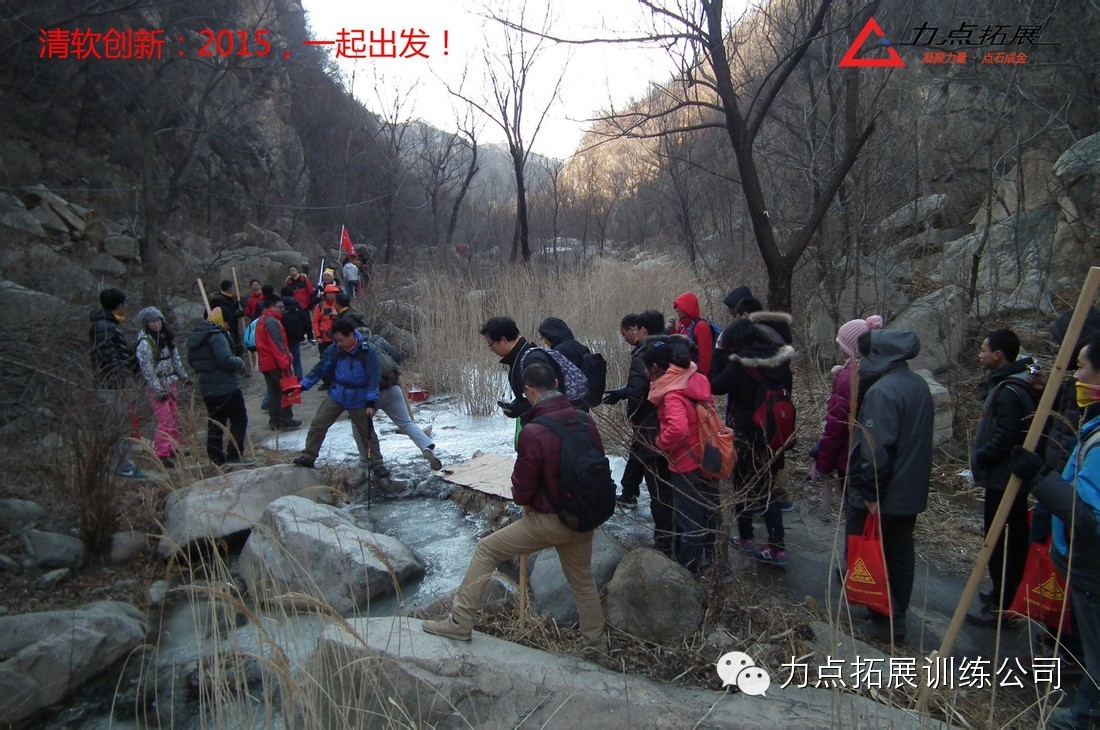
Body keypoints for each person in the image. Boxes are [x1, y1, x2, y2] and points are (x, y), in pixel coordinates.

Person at [422, 362, 606, 648]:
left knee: (486, 550)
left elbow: (521, 493)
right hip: (585, 516)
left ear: (528, 390)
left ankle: (460, 622)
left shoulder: (534, 431)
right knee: (582, 581)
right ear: (557, 384)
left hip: (550, 521)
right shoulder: (584, 420)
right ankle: (596, 644)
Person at [1011, 334, 1100, 730]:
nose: (1076, 376)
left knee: (1096, 646)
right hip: (1082, 563)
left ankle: (1087, 714)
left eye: (1082, 367)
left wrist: (1040, 478)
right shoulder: (1093, 424)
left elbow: (1088, 515)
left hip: (1091, 565)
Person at [845, 328, 933, 641]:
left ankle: (883, 619)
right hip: (909, 489)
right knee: (899, 552)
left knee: (875, 551)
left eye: (865, 354)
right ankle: (894, 613)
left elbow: (875, 448)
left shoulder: (883, 392)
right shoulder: (917, 384)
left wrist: (871, 491)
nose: (860, 361)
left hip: (885, 492)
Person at [709, 318, 795, 567]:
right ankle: (777, 547)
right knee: (767, 489)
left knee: (742, 486)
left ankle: (746, 537)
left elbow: (714, 385)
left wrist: (718, 352)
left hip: (747, 434)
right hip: (774, 433)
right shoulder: (781, 361)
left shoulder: (740, 365)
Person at [966, 328, 1037, 627]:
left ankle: (1004, 605)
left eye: (984, 350)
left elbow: (1008, 435)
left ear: (998, 355)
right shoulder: (1014, 383)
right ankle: (1002, 593)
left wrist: (981, 457)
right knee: (1009, 538)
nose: (980, 355)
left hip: (1003, 478)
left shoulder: (1009, 390)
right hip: (1005, 477)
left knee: (999, 541)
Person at [643, 335, 720, 575]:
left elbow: (678, 428)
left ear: (655, 368)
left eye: (646, 369)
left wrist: (660, 441)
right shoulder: (696, 379)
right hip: (709, 454)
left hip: (686, 462)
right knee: (709, 510)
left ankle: (690, 569)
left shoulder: (671, 393)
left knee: (689, 517)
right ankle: (713, 561)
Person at [605, 310, 675, 552]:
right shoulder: (674, 348)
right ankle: (630, 491)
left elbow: (638, 392)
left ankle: (666, 541)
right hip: (671, 425)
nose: (625, 337)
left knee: (659, 487)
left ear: (640, 329)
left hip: (651, 426)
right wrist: (621, 393)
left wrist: (634, 418)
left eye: (625, 332)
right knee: (664, 479)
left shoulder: (645, 354)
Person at [292, 319, 382, 474]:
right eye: (336, 340)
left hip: (359, 397)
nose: (339, 343)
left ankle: (377, 464)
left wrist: (370, 402)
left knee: (366, 432)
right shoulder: (334, 350)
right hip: (337, 394)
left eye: (341, 340)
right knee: (318, 424)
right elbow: (319, 369)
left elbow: (374, 378)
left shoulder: (367, 352)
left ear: (351, 335)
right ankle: (308, 456)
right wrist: (303, 386)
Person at [811, 316, 884, 501]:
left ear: (854, 349)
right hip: (874, 457)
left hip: (850, 455)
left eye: (843, 346)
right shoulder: (880, 369)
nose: (841, 350)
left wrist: (824, 464)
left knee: (852, 505)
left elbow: (837, 425)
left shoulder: (849, 378)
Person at [186, 307, 255, 468]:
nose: (228, 326)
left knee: (216, 423)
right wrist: (239, 361)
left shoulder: (196, 337)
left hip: (207, 388)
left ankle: (216, 457)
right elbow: (225, 360)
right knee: (239, 419)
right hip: (226, 386)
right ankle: (234, 454)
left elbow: (191, 362)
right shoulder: (216, 336)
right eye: (227, 322)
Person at [89, 287, 142, 478]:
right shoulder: (104, 327)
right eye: (124, 304)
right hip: (111, 386)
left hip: (113, 384)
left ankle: (121, 465)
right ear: (119, 305)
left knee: (119, 426)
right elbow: (110, 359)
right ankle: (122, 467)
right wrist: (124, 383)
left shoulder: (109, 325)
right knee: (117, 427)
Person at [135, 307, 191, 468]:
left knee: (174, 416)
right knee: (165, 419)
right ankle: (162, 452)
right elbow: (147, 369)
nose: (156, 324)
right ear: (146, 324)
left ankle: (173, 446)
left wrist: (184, 377)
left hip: (171, 381)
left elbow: (176, 359)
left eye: (158, 320)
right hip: (157, 386)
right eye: (152, 322)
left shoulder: (167, 337)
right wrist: (158, 390)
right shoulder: (145, 344)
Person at [481, 316, 560, 419]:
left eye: (490, 344)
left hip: (546, 423)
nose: (491, 349)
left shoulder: (532, 360)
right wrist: (517, 405)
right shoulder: (520, 356)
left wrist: (523, 408)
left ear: (503, 340)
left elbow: (548, 398)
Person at [255, 297, 300, 431]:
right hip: (276, 363)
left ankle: (274, 421)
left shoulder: (262, 320)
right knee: (285, 391)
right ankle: (285, 419)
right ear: (271, 306)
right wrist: (285, 362)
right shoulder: (272, 323)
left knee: (273, 393)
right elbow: (277, 345)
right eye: (279, 307)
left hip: (266, 363)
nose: (282, 310)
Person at [671, 292, 715, 375]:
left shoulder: (701, 326)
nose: (676, 309)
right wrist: (672, 331)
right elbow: (675, 347)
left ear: (688, 308)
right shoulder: (682, 326)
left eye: (679, 306)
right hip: (682, 373)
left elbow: (705, 358)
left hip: (695, 375)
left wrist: (699, 377)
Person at [209, 280, 245, 360]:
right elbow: (226, 315)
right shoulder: (219, 301)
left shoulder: (233, 298)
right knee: (231, 348)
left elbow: (237, 308)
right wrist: (238, 314)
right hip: (225, 327)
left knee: (238, 348)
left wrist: (241, 305)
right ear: (229, 288)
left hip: (234, 327)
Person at [278, 291, 310, 380]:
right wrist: (304, 333)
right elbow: (306, 321)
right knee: (297, 361)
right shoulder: (298, 306)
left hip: (283, 338)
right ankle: (299, 380)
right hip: (296, 337)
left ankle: (289, 380)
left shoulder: (280, 307)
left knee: (285, 361)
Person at [313, 284, 341, 361]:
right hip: (324, 340)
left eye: (333, 293)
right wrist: (318, 336)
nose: (331, 295)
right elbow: (315, 322)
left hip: (338, 338)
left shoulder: (339, 305)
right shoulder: (320, 306)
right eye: (329, 293)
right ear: (325, 295)